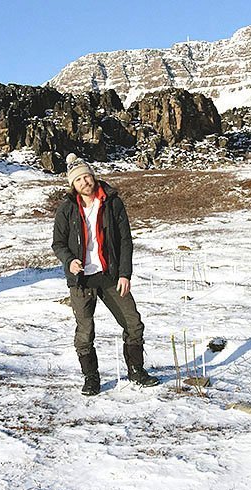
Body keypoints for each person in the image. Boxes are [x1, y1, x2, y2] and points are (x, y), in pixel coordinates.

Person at [52, 153, 159, 395]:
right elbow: (58, 243)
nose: (84, 182)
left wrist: (125, 274)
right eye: (78, 180)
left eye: (86, 177)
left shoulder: (112, 203)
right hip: (81, 281)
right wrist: (69, 262)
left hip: (110, 276)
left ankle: (136, 371)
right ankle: (91, 378)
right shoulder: (67, 209)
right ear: (73, 185)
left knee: (133, 323)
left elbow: (125, 241)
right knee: (85, 332)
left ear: (93, 176)